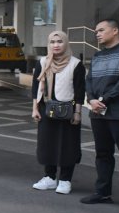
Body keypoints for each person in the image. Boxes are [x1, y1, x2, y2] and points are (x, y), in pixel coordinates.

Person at [81, 19, 119, 213]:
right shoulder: (98, 56)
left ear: (115, 30)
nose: (97, 34)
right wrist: (91, 99)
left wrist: (105, 100)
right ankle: (102, 192)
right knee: (102, 154)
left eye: (101, 30)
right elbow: (89, 80)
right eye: (96, 31)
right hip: (98, 112)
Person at [31, 30, 85, 194]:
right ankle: (50, 177)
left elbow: (79, 92)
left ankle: (65, 180)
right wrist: (34, 108)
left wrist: (77, 112)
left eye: (59, 42)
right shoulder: (43, 62)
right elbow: (35, 87)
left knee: (68, 145)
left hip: (67, 110)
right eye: (52, 42)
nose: (56, 45)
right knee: (48, 144)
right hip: (46, 108)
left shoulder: (76, 64)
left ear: (66, 43)